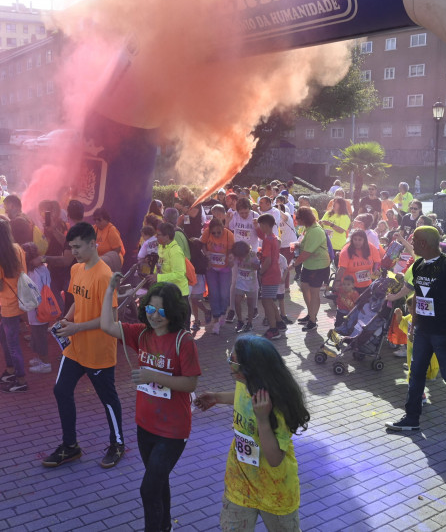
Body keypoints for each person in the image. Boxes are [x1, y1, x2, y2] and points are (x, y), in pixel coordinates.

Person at [98, 278, 201, 532]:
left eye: (162, 311)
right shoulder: (140, 333)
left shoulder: (183, 341)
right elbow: (107, 325)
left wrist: (153, 376)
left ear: (174, 312)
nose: (155, 316)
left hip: (173, 431)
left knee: (147, 489)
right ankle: (165, 527)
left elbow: (190, 384)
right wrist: (110, 290)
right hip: (145, 425)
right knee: (158, 482)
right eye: (150, 309)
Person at [194, 335, 310, 531]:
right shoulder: (245, 383)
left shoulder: (278, 405)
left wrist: (263, 420)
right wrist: (216, 397)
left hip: (275, 490)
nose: (230, 365)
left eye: (233, 361)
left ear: (251, 369)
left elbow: (274, 459)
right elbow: (243, 397)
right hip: (239, 483)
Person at [42, 222, 125, 469]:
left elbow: (111, 320)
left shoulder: (105, 276)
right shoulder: (77, 270)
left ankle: (118, 444)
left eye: (78, 246)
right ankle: (70, 446)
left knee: (107, 398)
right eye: (71, 247)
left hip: (99, 350)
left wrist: (77, 327)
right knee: (61, 391)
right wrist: (66, 320)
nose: (74, 252)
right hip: (75, 348)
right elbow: (78, 302)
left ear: (93, 244)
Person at [386, 226, 446, 433]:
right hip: (422, 330)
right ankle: (412, 417)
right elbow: (419, 298)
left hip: (445, 331)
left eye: (414, 241)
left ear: (424, 243)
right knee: (416, 373)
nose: (411, 244)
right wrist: (414, 326)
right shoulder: (419, 265)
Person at [0, 217, 29, 393]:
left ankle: (21, 378)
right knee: (2, 334)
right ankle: (11, 370)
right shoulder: (17, 249)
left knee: (13, 343)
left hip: (9, 304)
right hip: (20, 298)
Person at [293, 206, 330, 333]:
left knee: (314, 293)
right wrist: (298, 245)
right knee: (304, 288)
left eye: (298, 217)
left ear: (304, 218)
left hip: (319, 266)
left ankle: (313, 321)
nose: (296, 219)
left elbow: (306, 253)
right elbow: (305, 245)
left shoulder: (315, 231)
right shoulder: (307, 228)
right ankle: (311, 314)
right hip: (309, 265)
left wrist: (294, 264)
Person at [22, 242, 53, 373]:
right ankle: (40, 358)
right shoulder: (43, 268)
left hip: (37, 309)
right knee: (38, 335)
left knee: (39, 336)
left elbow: (34, 293)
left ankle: (45, 363)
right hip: (45, 307)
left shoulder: (32, 273)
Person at [201, 218, 234, 334]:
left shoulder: (229, 235)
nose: (215, 234)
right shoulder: (207, 232)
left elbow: (231, 251)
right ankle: (216, 320)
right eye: (213, 233)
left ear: (222, 228)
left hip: (224, 268)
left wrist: (230, 257)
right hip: (211, 268)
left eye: (218, 232)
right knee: (213, 294)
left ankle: (223, 313)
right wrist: (206, 253)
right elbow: (202, 245)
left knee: (224, 294)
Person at [257, 214, 283, 340]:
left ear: (265, 225)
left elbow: (267, 260)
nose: (259, 228)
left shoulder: (267, 240)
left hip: (270, 274)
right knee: (269, 300)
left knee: (266, 301)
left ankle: (274, 329)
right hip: (274, 273)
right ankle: (279, 322)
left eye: (260, 225)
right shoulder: (273, 238)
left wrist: (261, 272)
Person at [149, 223, 189, 298]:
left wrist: (158, 277)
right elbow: (160, 264)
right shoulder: (161, 246)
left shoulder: (175, 252)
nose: (155, 237)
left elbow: (179, 274)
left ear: (167, 237)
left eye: (158, 235)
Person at [231, 241, 259, 335]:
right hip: (240, 282)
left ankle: (250, 323)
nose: (240, 258)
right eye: (238, 256)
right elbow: (230, 264)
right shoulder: (235, 255)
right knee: (237, 301)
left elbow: (258, 266)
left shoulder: (253, 255)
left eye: (241, 256)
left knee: (250, 304)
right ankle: (240, 321)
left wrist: (252, 265)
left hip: (251, 283)